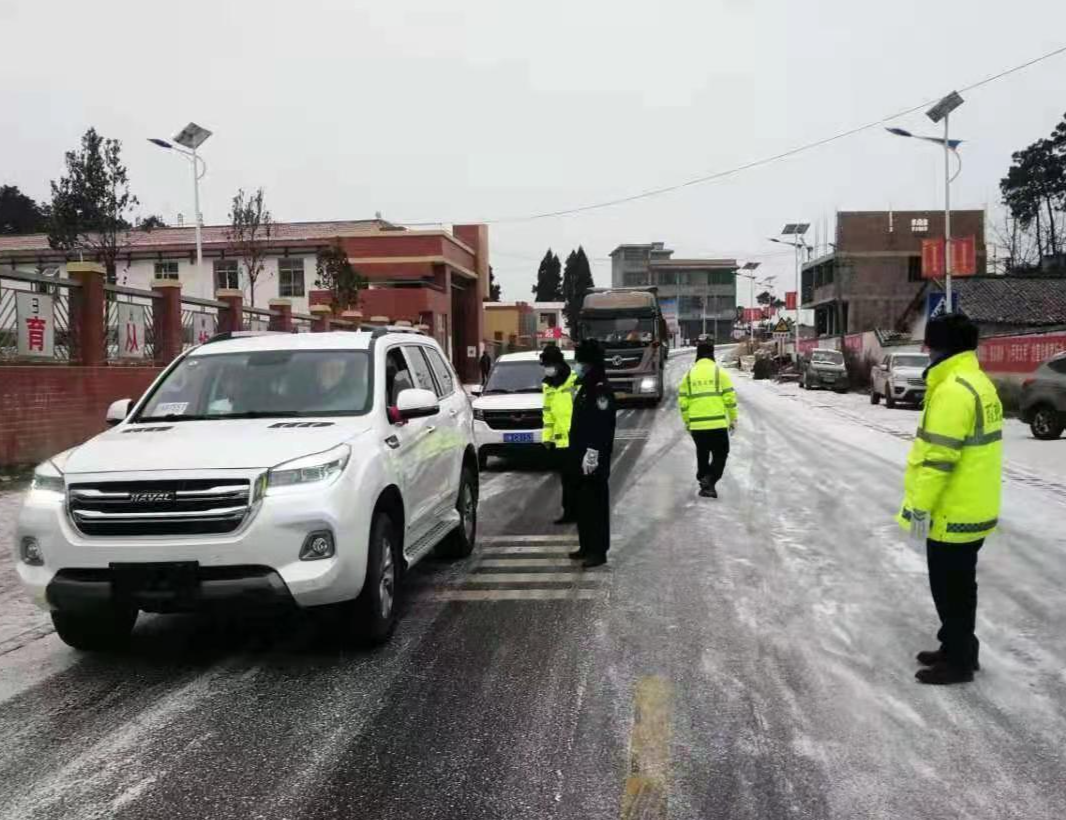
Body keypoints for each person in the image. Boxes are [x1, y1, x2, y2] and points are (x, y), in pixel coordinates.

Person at [897, 313, 1002, 685]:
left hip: (952, 509)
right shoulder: (977, 383)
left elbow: (940, 460)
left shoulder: (953, 391)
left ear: (935, 347)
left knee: (950, 588)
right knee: (960, 585)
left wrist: (919, 508)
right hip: (974, 505)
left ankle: (957, 661)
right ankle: (958, 647)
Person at [568, 339, 617, 568]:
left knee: (596, 503)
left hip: (593, 457)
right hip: (580, 456)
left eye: (580, 361)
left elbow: (601, 424)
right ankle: (586, 545)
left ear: (589, 363)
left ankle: (599, 551)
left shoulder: (600, 389)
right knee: (583, 503)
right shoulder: (586, 386)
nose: (577, 366)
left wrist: (593, 452)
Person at [678, 340, 738, 498]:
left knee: (702, 453)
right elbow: (730, 399)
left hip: (697, 426)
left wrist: (687, 422)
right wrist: (733, 419)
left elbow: (683, 403)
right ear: (712, 354)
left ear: (697, 355)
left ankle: (705, 484)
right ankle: (709, 479)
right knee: (721, 453)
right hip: (717, 424)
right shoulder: (720, 373)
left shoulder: (688, 376)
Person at [540, 344, 578, 524]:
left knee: (580, 479)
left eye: (548, 365)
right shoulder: (547, 385)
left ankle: (583, 513)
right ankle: (569, 512)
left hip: (578, 438)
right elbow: (547, 413)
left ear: (557, 364)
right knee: (566, 480)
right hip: (561, 442)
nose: (546, 369)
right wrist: (547, 438)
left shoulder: (574, 380)